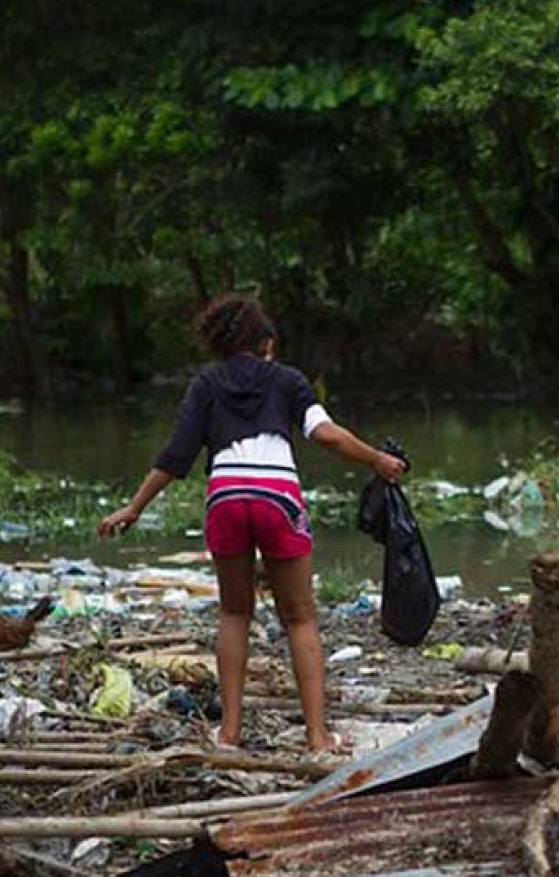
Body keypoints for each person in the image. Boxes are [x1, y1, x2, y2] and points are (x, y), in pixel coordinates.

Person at [97, 294, 405, 752]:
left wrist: (135, 507)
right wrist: (378, 459)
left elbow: (177, 456)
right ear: (267, 344)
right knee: (300, 617)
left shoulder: (206, 384)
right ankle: (318, 736)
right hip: (277, 497)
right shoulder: (288, 381)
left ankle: (230, 732)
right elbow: (326, 434)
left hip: (225, 497)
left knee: (234, 612)